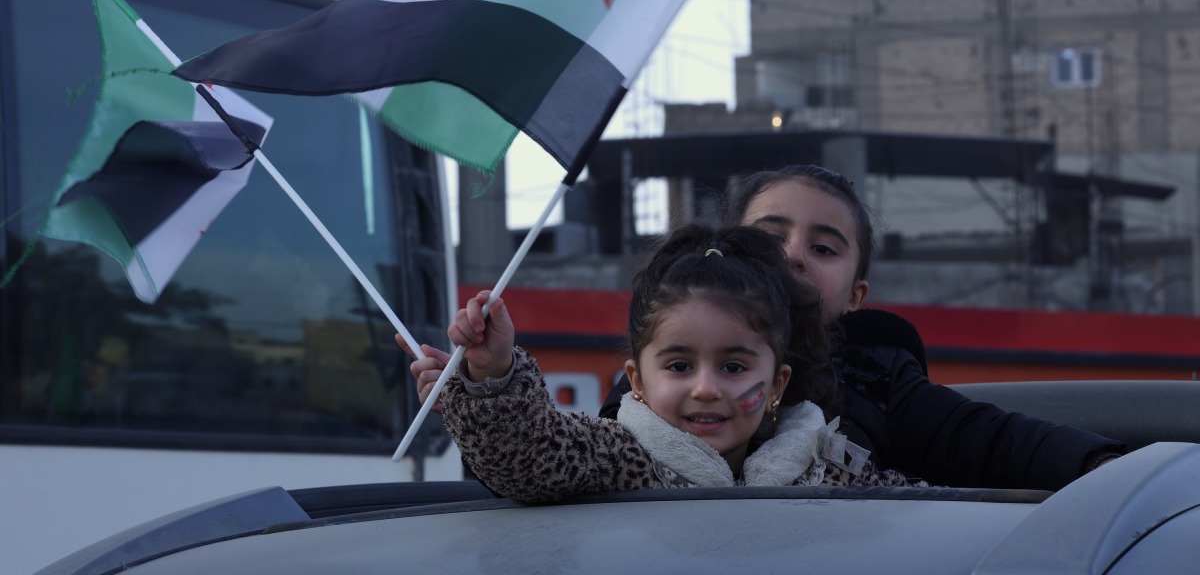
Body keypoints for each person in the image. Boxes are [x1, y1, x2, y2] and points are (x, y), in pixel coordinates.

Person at [601, 164, 1126, 490]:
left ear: (856, 295)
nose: (793, 255)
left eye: (824, 247)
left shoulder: (879, 379)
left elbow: (988, 440)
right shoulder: (658, 374)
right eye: (771, 234)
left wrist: (1105, 466)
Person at [414, 224, 919, 504]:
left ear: (776, 385)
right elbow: (527, 456)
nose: (705, 388)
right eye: (679, 366)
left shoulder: (835, 470)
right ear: (636, 380)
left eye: (734, 367)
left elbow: (921, 523)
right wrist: (490, 374)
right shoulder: (617, 458)